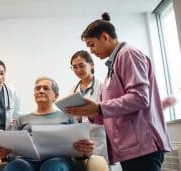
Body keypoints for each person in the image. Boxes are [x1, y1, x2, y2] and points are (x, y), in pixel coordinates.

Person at [65, 12, 172, 171]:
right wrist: (89, 113)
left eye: (92, 44)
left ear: (105, 37)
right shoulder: (113, 66)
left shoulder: (128, 54)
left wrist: (98, 107)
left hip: (142, 146)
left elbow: (140, 98)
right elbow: (115, 111)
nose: (91, 51)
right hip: (129, 147)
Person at [0, 77, 94, 171]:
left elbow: (79, 152)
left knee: (53, 166)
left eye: (46, 88)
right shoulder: (21, 119)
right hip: (25, 161)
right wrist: (3, 153)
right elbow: (10, 150)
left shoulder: (68, 117)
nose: (40, 91)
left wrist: (86, 151)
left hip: (58, 161)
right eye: (37, 88)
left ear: (56, 96)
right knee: (15, 166)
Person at [70, 50, 108, 161]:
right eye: (74, 67)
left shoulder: (102, 87)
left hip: (98, 139)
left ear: (91, 65)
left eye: (81, 66)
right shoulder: (73, 90)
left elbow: (110, 113)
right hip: (80, 141)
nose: (78, 70)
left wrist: (92, 115)